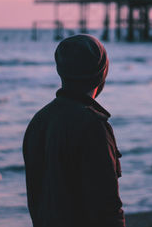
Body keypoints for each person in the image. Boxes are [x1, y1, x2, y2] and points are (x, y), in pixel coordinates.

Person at [23, 34, 125, 227]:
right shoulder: (93, 125)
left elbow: (35, 197)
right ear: (101, 73)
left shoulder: (38, 121)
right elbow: (107, 206)